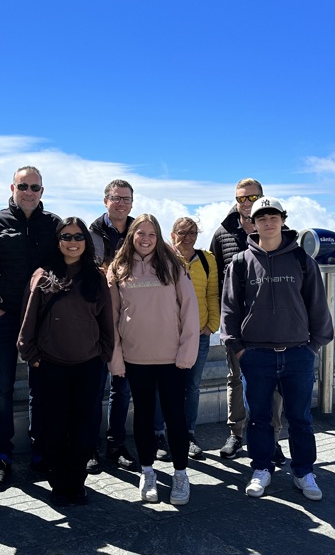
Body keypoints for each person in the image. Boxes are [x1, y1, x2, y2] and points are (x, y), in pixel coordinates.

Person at [221, 196, 333, 501]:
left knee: (300, 418)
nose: (268, 222)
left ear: (283, 220)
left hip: (297, 353)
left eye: (273, 216)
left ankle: (304, 472)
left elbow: (317, 306)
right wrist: (238, 349)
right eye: (262, 217)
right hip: (256, 355)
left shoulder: (301, 260)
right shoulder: (242, 262)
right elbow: (229, 310)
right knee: (259, 417)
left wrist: (312, 347)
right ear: (253, 224)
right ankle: (261, 468)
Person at [0, 166, 63, 489]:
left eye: (35, 187)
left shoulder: (53, 225)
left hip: (42, 320)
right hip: (7, 317)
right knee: (3, 387)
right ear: (12, 187)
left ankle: (41, 452)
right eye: (23, 186)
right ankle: (2, 456)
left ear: (42, 191)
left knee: (42, 388)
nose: (29, 192)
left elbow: (64, 266)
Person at [17, 217, 114, 506]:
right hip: (50, 364)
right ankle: (59, 484)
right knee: (54, 429)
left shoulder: (96, 277)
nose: (73, 242)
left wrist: (104, 355)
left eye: (78, 237)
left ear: (86, 241)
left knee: (83, 429)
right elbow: (28, 319)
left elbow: (106, 320)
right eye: (66, 237)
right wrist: (31, 355)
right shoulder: (43, 276)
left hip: (88, 365)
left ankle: (77, 482)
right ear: (58, 241)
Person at [108, 214, 199, 505]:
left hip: (172, 358)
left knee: (175, 417)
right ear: (131, 235)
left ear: (158, 237)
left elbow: (189, 310)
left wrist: (187, 353)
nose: (145, 238)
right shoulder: (118, 268)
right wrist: (116, 360)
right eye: (140, 233)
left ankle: (181, 473)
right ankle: (147, 471)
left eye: (151, 233)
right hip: (135, 358)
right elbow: (111, 319)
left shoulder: (172, 266)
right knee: (144, 418)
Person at [210, 178, 284, 463]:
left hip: (272, 326)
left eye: (253, 198)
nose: (246, 203)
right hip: (238, 325)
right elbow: (216, 280)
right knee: (236, 381)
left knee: (274, 384)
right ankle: (236, 434)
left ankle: (272, 438)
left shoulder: (276, 230)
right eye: (242, 198)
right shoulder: (223, 233)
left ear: (262, 198)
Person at [152, 217, 219, 461]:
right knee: (163, 387)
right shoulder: (162, 258)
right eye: (181, 232)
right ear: (171, 234)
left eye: (192, 232)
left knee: (191, 386)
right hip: (168, 336)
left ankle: (188, 434)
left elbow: (213, 293)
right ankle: (159, 434)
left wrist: (212, 325)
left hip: (198, 334)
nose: (187, 237)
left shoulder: (207, 259)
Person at [87, 179, 138, 472]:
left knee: (122, 387)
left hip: (128, 318)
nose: (121, 203)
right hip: (96, 319)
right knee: (94, 387)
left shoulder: (137, 230)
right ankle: (90, 446)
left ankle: (116, 444)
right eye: (116, 198)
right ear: (105, 200)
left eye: (126, 199)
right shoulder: (92, 233)